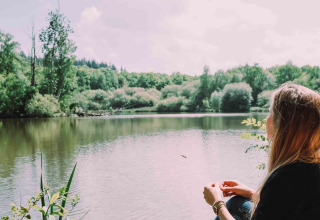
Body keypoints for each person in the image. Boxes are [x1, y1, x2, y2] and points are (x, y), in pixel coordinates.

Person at [203, 83, 320, 220]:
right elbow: (295, 205)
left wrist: (217, 203)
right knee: (237, 202)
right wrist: (254, 194)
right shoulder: (311, 169)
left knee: (228, 207)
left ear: (283, 127)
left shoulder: (283, 179)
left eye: (271, 113)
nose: (267, 119)